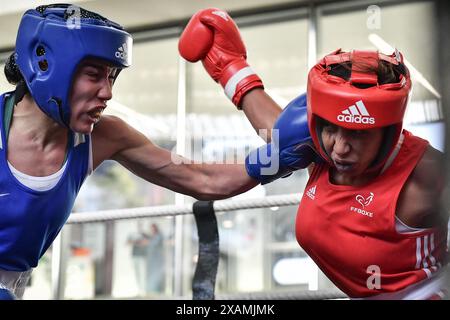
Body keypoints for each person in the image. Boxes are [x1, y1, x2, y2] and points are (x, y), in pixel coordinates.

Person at [0, 4, 284, 299]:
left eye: (111, 76)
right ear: (43, 64)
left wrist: (277, 160)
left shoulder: (106, 135)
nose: (107, 92)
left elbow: (202, 179)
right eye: (94, 74)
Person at [181, 9, 448, 299]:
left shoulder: (425, 173)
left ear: (387, 129)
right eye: (332, 129)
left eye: (358, 133)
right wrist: (230, 66)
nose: (341, 147)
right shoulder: (323, 151)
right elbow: (280, 136)